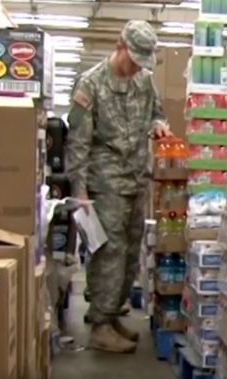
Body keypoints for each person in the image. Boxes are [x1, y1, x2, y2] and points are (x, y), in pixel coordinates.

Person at [66, 20, 172, 353]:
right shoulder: (92, 84)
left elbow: (158, 112)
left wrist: (158, 125)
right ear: (119, 46)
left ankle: (111, 316)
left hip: (136, 177)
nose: (138, 65)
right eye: (134, 57)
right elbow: (78, 143)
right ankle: (99, 324)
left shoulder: (144, 81)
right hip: (105, 181)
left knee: (130, 251)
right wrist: (80, 192)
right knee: (107, 252)